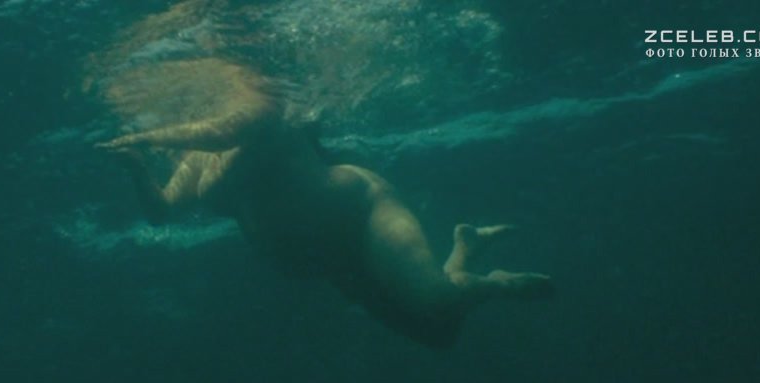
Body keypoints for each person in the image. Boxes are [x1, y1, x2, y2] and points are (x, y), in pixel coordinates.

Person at [98, 58, 552, 348]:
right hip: (330, 263)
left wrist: (145, 136)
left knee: (436, 299)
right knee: (439, 334)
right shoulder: (195, 162)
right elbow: (161, 211)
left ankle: (499, 283)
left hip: (362, 213)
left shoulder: (260, 107)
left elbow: (223, 131)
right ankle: (466, 249)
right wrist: (137, 168)